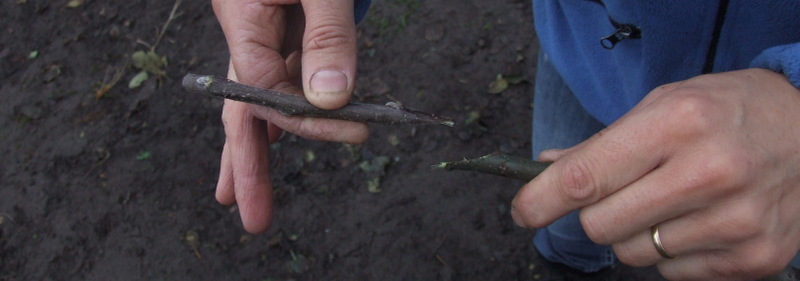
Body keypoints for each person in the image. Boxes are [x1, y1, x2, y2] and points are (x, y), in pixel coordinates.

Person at [211, 0, 800, 280]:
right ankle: (569, 264)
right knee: (568, 201)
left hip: (781, 156)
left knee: (736, 251)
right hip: (586, 61)